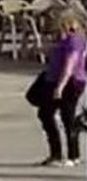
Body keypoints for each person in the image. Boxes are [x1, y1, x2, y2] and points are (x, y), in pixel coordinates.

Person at [36, 11, 87, 167]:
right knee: (48, 114)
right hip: (58, 80)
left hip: (69, 82)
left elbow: (70, 64)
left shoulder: (74, 41)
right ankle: (61, 154)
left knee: (63, 116)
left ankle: (69, 155)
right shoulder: (68, 40)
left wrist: (60, 86)